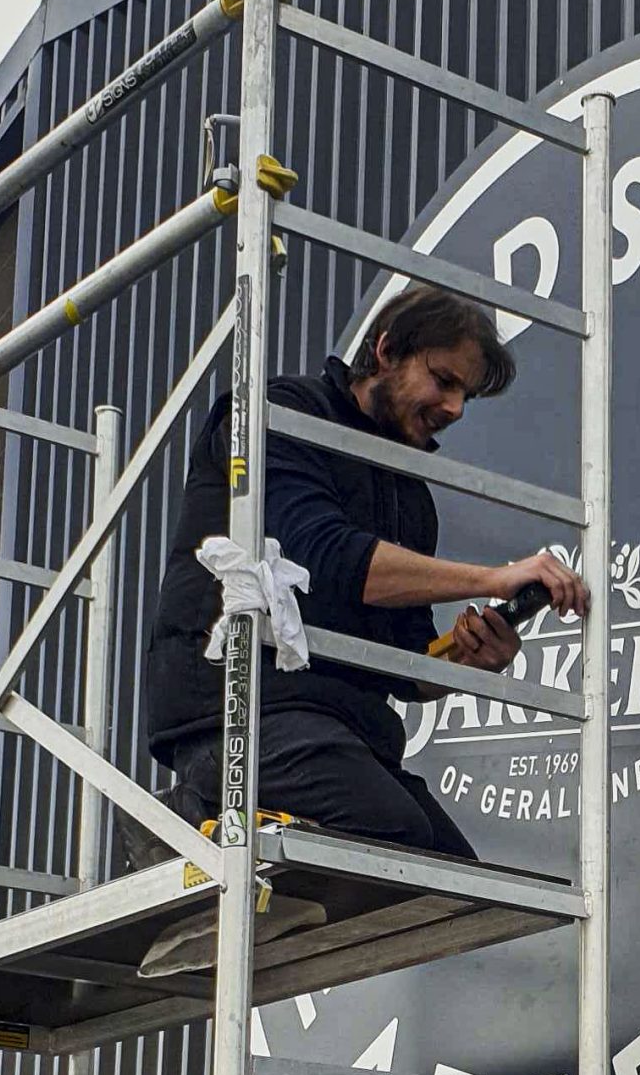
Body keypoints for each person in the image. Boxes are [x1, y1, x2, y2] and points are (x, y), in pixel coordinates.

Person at [141, 285, 590, 860]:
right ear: (385, 351)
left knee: (456, 875)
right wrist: (493, 578)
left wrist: (468, 657)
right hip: (241, 710)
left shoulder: (410, 498)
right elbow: (324, 557)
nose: (454, 409)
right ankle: (197, 822)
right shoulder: (279, 414)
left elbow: (408, 666)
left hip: (343, 731)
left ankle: (259, 887)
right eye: (444, 380)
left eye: (467, 396)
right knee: (391, 829)